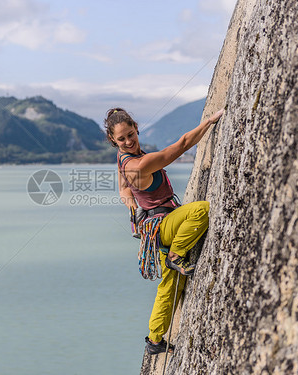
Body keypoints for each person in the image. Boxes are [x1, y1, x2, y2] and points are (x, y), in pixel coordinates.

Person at [104, 107, 224, 355]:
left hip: (154, 231)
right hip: (164, 227)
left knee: (170, 286)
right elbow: (180, 146)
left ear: (136, 128)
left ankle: (155, 339)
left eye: (130, 134)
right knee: (201, 210)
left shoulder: (121, 158)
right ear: (114, 140)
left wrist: (132, 206)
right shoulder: (141, 163)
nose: (128, 141)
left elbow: (123, 190)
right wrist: (209, 122)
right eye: (122, 139)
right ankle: (176, 255)